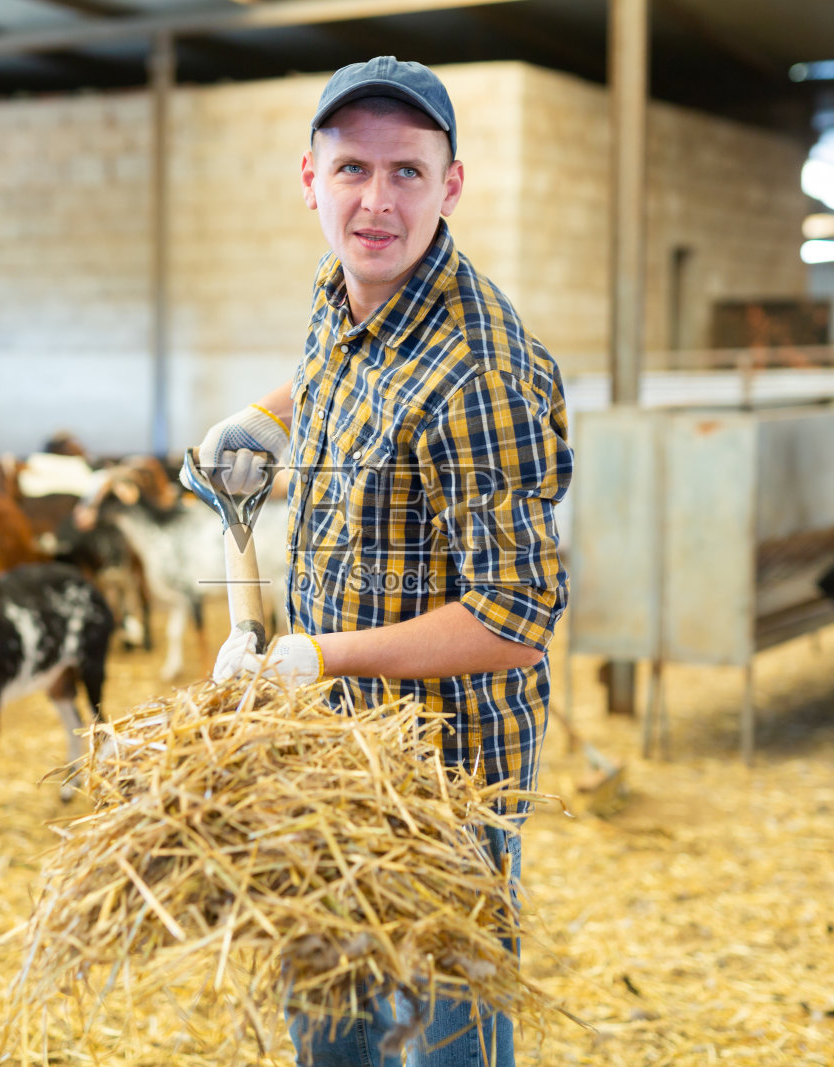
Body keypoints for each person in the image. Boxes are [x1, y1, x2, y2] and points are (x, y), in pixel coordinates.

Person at [184, 56, 571, 1067]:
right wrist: (267, 416)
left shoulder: (480, 372)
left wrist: (317, 657)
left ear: (452, 183)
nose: (376, 200)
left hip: (444, 779)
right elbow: (335, 365)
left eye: (407, 171)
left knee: (452, 1028)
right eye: (352, 167)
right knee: (328, 1000)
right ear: (308, 177)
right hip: (328, 750)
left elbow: (514, 616)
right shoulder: (342, 287)